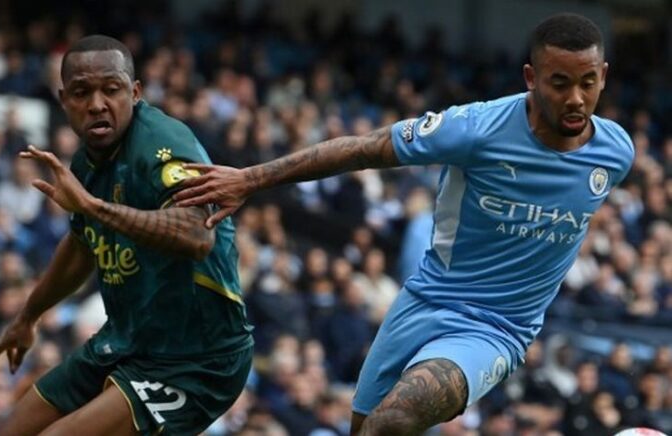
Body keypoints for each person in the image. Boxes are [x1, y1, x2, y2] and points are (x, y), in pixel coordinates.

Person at [173, 13, 634, 435]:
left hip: (498, 328)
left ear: (604, 77)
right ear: (531, 79)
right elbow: (363, 148)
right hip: (422, 303)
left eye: (588, 83)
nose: (576, 98)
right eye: (559, 83)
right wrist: (250, 179)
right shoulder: (475, 129)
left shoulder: (616, 153)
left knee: (393, 422)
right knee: (367, 428)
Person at [0, 35, 253, 436]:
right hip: (129, 340)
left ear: (134, 92)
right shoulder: (87, 162)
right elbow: (82, 246)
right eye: (82, 92)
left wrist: (94, 208)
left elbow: (198, 236)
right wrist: (29, 315)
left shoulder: (163, 143)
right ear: (64, 100)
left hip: (197, 358)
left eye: (110, 90)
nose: (97, 103)